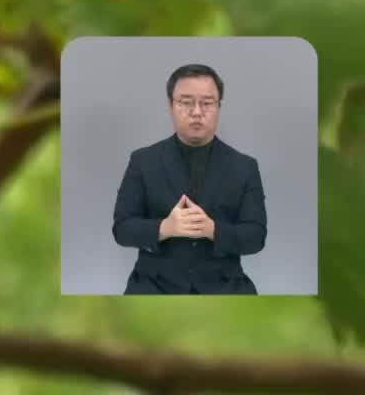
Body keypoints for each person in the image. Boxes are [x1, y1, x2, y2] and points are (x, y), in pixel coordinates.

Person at [110, 64, 267, 293]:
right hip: (153, 285)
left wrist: (213, 229)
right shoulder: (142, 161)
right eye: (186, 102)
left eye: (207, 103)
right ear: (171, 106)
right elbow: (122, 229)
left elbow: (256, 236)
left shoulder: (245, 167)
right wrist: (165, 227)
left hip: (225, 286)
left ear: (219, 107)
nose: (196, 112)